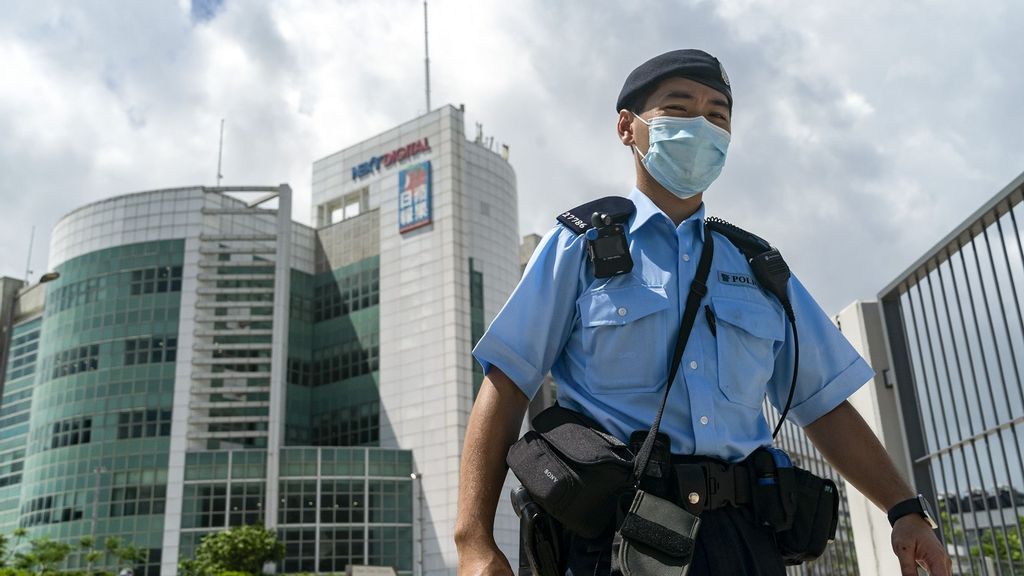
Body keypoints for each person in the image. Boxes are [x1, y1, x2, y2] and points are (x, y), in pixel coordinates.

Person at [455, 49, 952, 576]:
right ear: (628, 127)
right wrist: (474, 543)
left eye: (717, 115)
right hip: (619, 537)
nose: (702, 126)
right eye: (680, 109)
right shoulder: (579, 246)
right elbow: (507, 384)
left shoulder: (758, 266)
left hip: (746, 540)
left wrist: (904, 509)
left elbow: (822, 403)